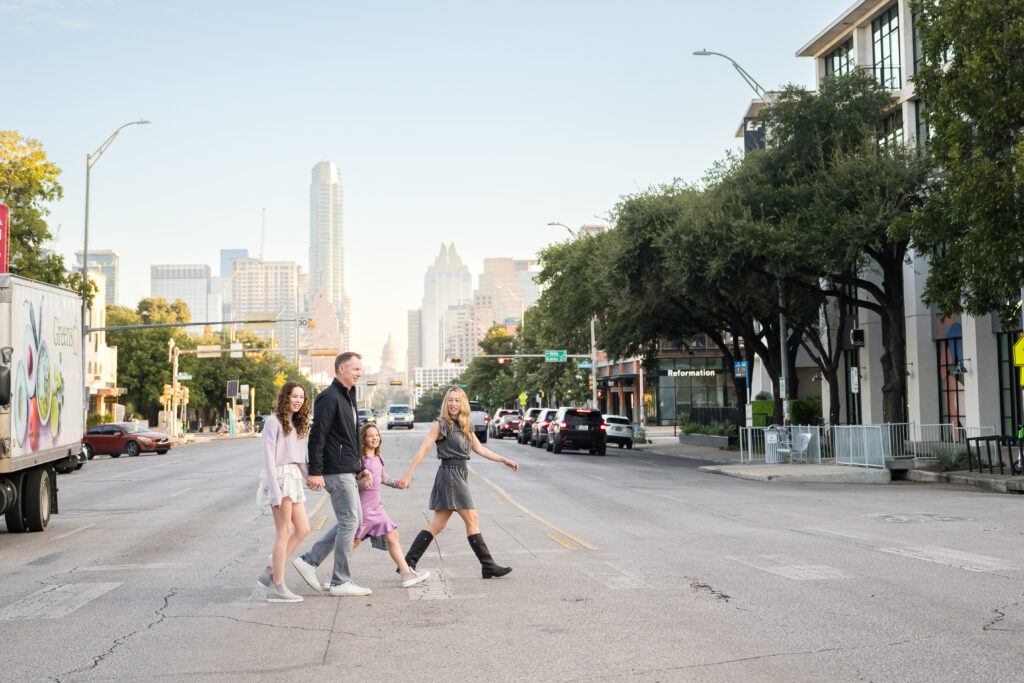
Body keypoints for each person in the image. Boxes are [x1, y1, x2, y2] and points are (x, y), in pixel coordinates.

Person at [396, 386, 519, 579]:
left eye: (457, 400)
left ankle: (408, 562)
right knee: (473, 519)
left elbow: (480, 449)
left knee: (438, 525)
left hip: (460, 474)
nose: (453, 404)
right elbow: (424, 449)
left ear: (463, 403)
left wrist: (504, 460)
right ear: (446, 403)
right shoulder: (441, 424)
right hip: (450, 474)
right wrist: (408, 474)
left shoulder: (465, 424)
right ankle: (488, 565)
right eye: (450, 400)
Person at [292, 352, 373, 597]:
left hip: (347, 468)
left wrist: (360, 467)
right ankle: (340, 580)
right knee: (350, 522)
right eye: (355, 369)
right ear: (340, 369)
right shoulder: (329, 397)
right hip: (335, 471)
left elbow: (350, 437)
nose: (359, 373)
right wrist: (316, 472)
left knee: (353, 521)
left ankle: (310, 560)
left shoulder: (348, 396)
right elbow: (318, 436)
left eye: (360, 369)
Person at [352, 422, 430, 588]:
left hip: (377, 508)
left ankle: (405, 573)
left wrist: (398, 483)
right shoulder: (360, 461)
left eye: (377, 435)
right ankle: (333, 575)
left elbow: (383, 478)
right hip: (364, 509)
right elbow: (353, 483)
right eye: (370, 435)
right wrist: (361, 483)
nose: (375, 438)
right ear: (363, 439)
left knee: (392, 536)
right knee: (352, 542)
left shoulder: (377, 458)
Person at [255, 381, 312, 603]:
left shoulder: (298, 423)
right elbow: (269, 458)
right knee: (284, 531)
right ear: (285, 397)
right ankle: (278, 585)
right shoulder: (273, 421)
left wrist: (310, 478)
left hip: (294, 477)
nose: (298, 400)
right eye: (294, 396)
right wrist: (276, 492)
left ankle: (271, 571)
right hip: (279, 477)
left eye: (301, 397)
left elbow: (299, 459)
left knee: (304, 528)